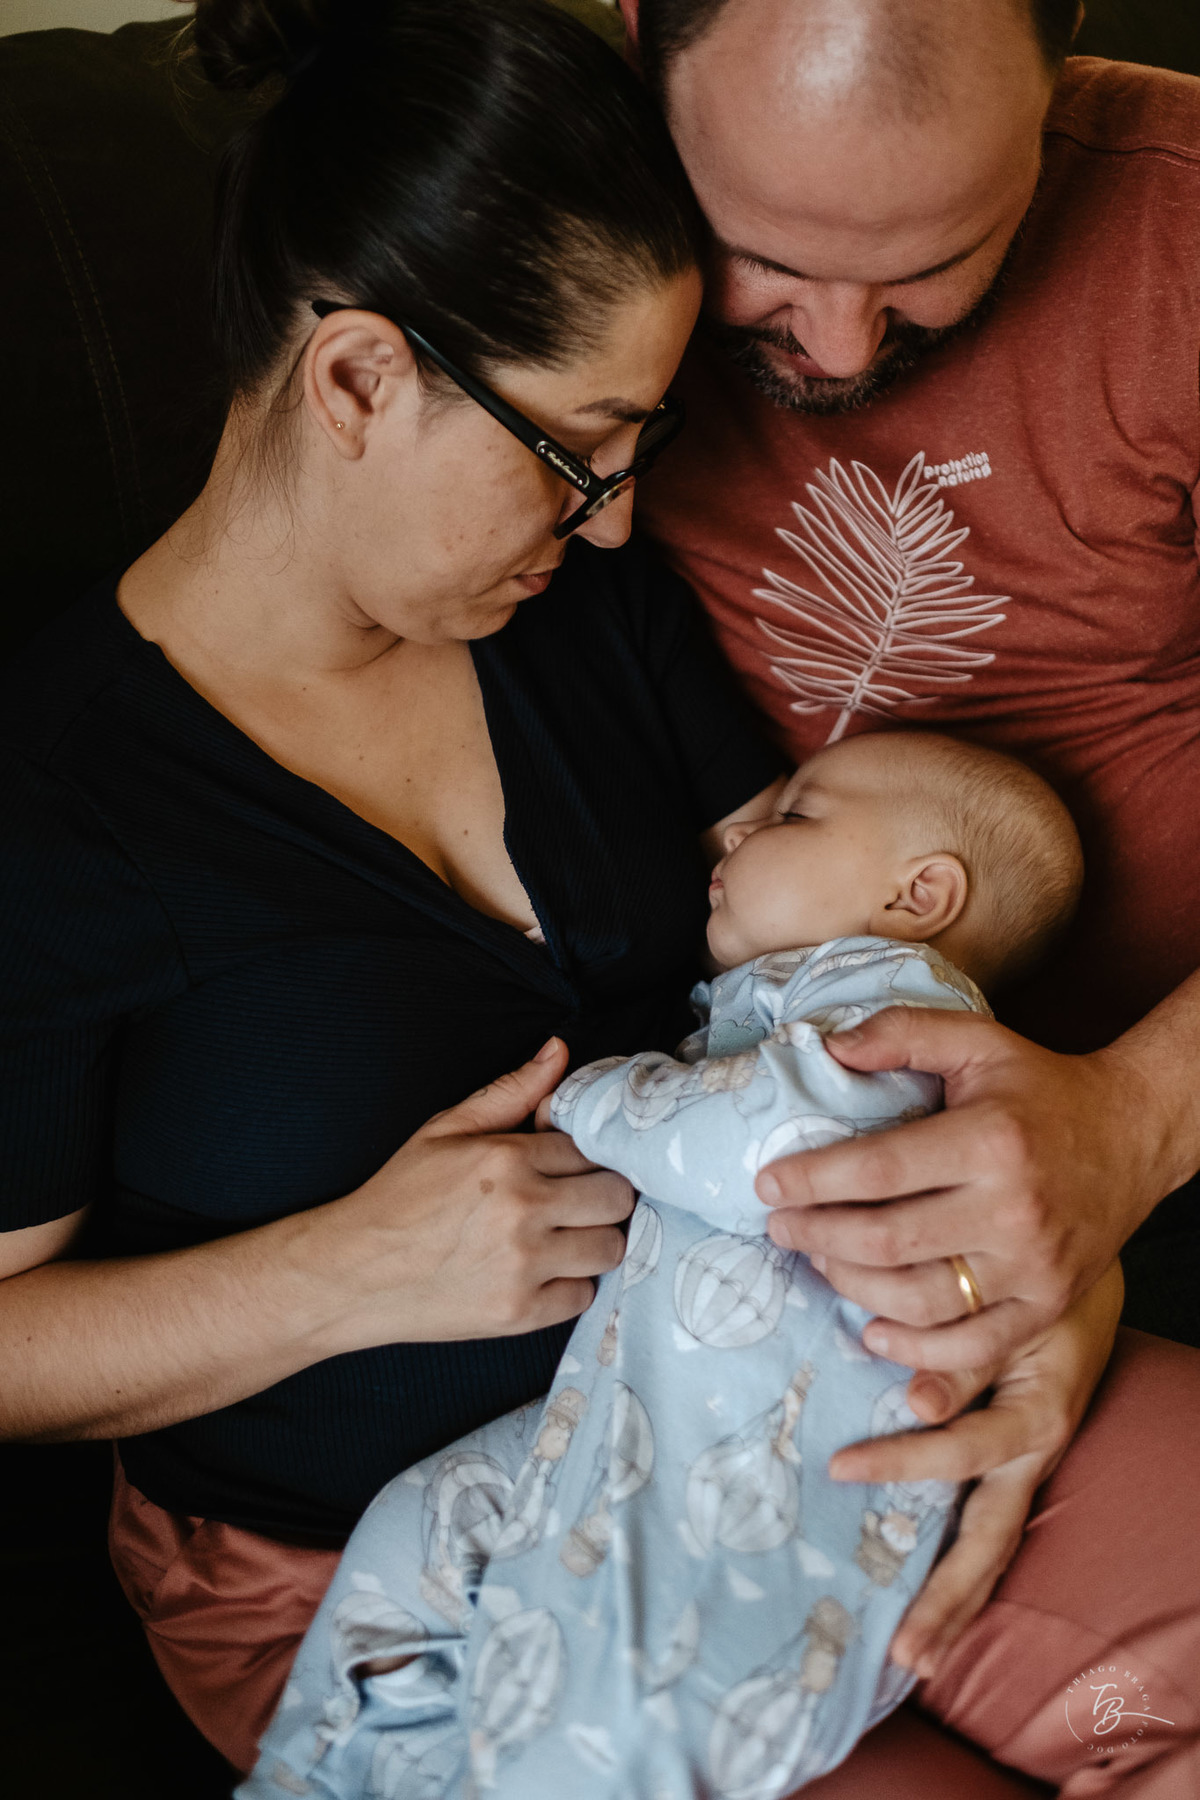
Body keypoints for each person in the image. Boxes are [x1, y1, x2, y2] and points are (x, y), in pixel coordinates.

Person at [0, 0, 800, 1774]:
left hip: (735, 1444)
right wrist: (350, 1275)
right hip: (351, 1583)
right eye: (580, 449)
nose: (610, 520)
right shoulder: (55, 806)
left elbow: (822, 912)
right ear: (361, 378)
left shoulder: (590, 616)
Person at [612, 0, 1200, 1788]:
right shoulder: (544, 216)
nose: (841, 341)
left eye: (942, 260)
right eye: (760, 259)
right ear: (639, 43)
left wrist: (1136, 1126)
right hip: (818, 1210)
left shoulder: (1177, 227)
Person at [240, 731, 1107, 1800]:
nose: (740, 826)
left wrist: (592, 1098)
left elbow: (773, 1156)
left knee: (588, 1734)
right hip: (638, 1425)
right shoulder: (784, 1001)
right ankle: (311, 1776)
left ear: (919, 895)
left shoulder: (901, 1004)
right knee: (422, 1524)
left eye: (794, 817)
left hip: (760, 1517)